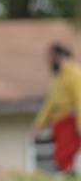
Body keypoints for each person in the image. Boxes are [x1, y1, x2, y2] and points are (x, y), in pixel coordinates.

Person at [34, 42, 81, 173]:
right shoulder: (57, 77)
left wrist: (79, 124)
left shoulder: (74, 73)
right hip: (59, 121)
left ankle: (69, 177)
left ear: (58, 56)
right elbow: (50, 103)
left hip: (71, 119)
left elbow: (79, 99)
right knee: (61, 155)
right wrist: (39, 125)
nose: (49, 61)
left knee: (65, 153)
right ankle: (69, 177)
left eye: (51, 57)